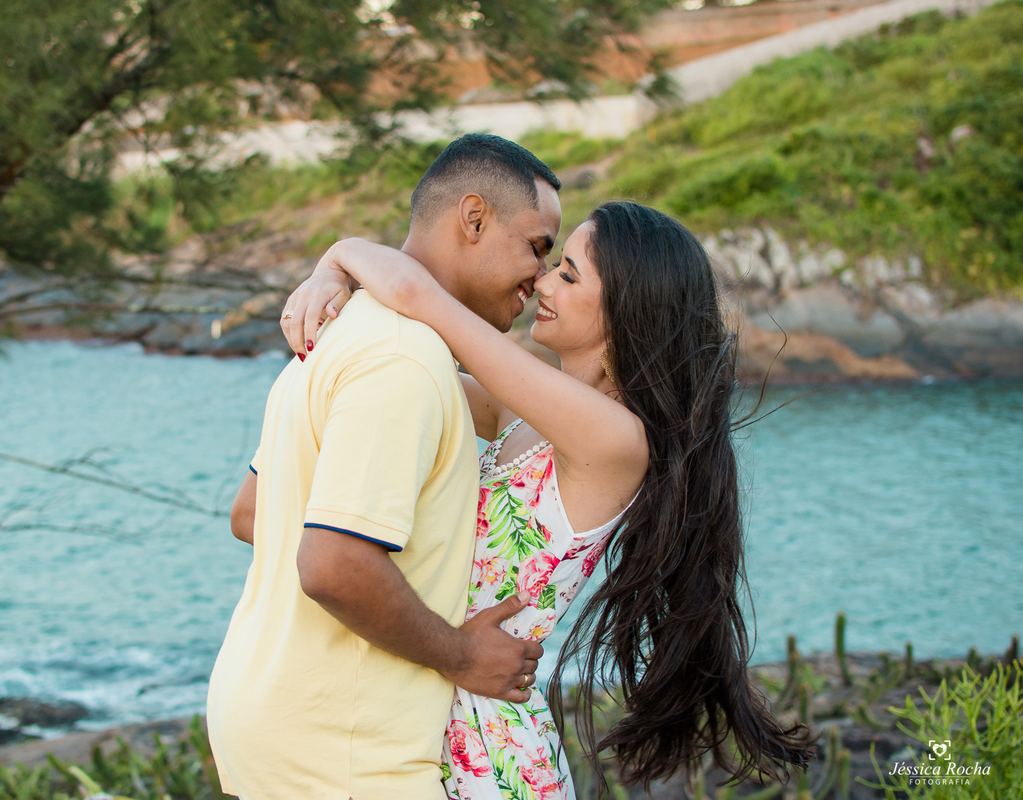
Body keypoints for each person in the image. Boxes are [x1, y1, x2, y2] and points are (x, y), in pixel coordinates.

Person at [279, 200, 813, 797]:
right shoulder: (518, 411)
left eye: (569, 273)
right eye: (552, 264)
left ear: (626, 310)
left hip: (487, 743)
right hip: (425, 708)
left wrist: (337, 256)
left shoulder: (614, 439)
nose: (541, 280)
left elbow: (417, 294)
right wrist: (332, 283)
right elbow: (387, 383)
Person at [206, 134, 564, 800]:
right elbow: (334, 564)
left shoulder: (339, 329)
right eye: (537, 247)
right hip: (346, 751)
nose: (541, 278)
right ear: (474, 218)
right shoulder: (404, 359)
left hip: (275, 718)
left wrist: (340, 258)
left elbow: (253, 512)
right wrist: (462, 654)